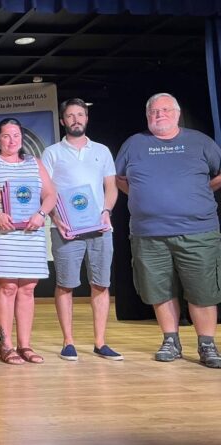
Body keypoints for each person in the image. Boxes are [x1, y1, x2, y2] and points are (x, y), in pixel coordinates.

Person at [116, 93, 221, 368]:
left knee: (203, 290)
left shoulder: (200, 142)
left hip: (198, 231)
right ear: (147, 116)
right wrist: (142, 196)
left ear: (177, 114)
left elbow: (218, 174)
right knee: (159, 290)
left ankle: (207, 344)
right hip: (148, 233)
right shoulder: (134, 144)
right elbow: (119, 178)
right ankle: (170, 341)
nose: (159, 115)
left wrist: (199, 191)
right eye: (154, 111)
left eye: (165, 110)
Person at [42, 98, 122, 362]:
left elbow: (111, 187)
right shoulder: (52, 152)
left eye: (80, 114)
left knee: (101, 283)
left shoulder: (102, 150)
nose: (76, 119)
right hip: (66, 228)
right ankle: (68, 342)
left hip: (100, 227)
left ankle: (100, 342)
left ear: (86, 118)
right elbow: (46, 191)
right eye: (70, 115)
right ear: (63, 120)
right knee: (65, 284)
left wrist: (106, 211)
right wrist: (56, 218)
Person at [0, 118, 56, 365]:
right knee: (7, 287)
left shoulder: (35, 163)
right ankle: (6, 345)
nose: (12, 140)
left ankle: (25, 345)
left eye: (16, 135)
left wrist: (41, 214)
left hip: (31, 235)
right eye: (6, 136)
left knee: (28, 288)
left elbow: (50, 194)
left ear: (22, 139)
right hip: (1, 233)